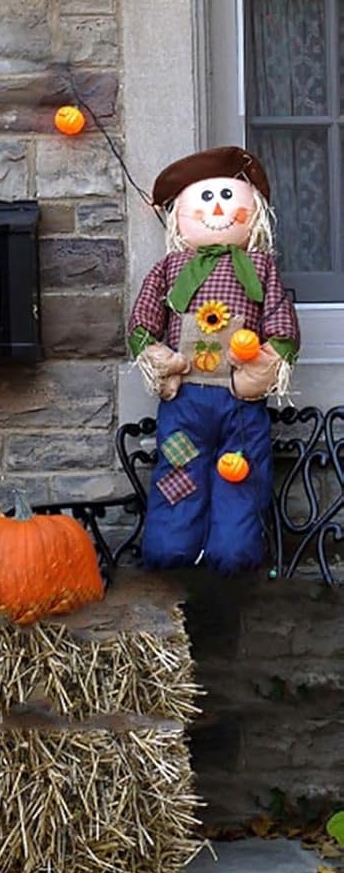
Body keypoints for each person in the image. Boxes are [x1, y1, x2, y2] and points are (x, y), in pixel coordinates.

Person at [127, 145, 299, 575]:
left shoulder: (260, 267)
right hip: (184, 403)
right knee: (178, 472)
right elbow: (143, 323)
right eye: (205, 198)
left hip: (240, 404)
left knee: (240, 475)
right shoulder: (170, 268)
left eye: (227, 197)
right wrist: (158, 359)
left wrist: (262, 368)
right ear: (180, 215)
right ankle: (172, 548)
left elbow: (282, 326)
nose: (218, 208)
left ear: (254, 212)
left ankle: (233, 553)